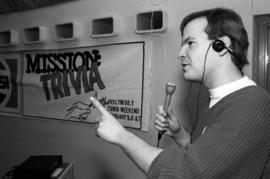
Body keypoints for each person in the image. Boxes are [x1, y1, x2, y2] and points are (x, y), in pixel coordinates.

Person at [89, 7, 270, 178]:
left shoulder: (252, 103)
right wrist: (179, 134)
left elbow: (185, 173)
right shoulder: (218, 100)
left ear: (220, 46)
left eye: (190, 43)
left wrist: (121, 135)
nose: (180, 53)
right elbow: (212, 161)